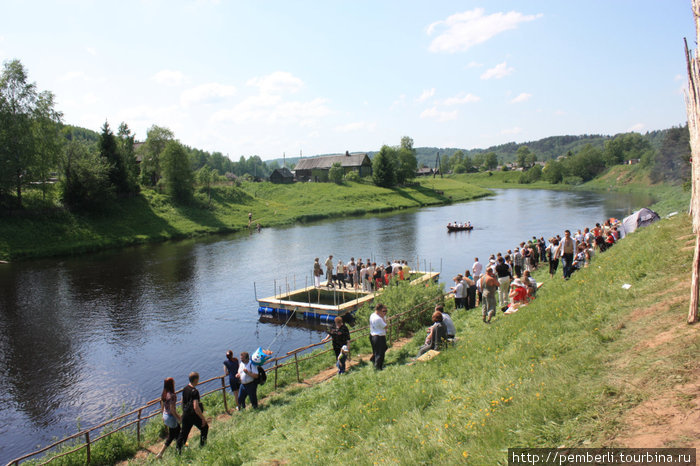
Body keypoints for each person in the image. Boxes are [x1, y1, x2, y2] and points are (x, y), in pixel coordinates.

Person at [176, 372, 208, 454]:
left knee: (184, 433)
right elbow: (196, 407)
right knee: (205, 427)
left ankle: (178, 451)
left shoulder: (185, 388)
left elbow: (182, 401)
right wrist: (203, 418)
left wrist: (184, 411)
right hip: (193, 415)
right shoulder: (195, 391)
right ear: (196, 380)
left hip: (186, 414)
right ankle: (203, 446)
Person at [156, 377, 181, 459]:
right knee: (172, 436)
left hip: (165, 416)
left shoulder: (164, 394)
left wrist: (163, 416)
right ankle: (160, 453)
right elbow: (172, 410)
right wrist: (179, 417)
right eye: (173, 382)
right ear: (171, 384)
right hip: (171, 417)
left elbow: (162, 407)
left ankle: (180, 446)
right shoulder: (172, 396)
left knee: (177, 431)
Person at [369, 304, 388, 370]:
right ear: (380, 310)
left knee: (379, 350)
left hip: (373, 335)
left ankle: (373, 360)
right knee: (380, 353)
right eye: (383, 311)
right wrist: (383, 318)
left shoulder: (372, 315)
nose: (384, 312)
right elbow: (385, 326)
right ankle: (378, 367)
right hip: (379, 336)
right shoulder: (379, 319)